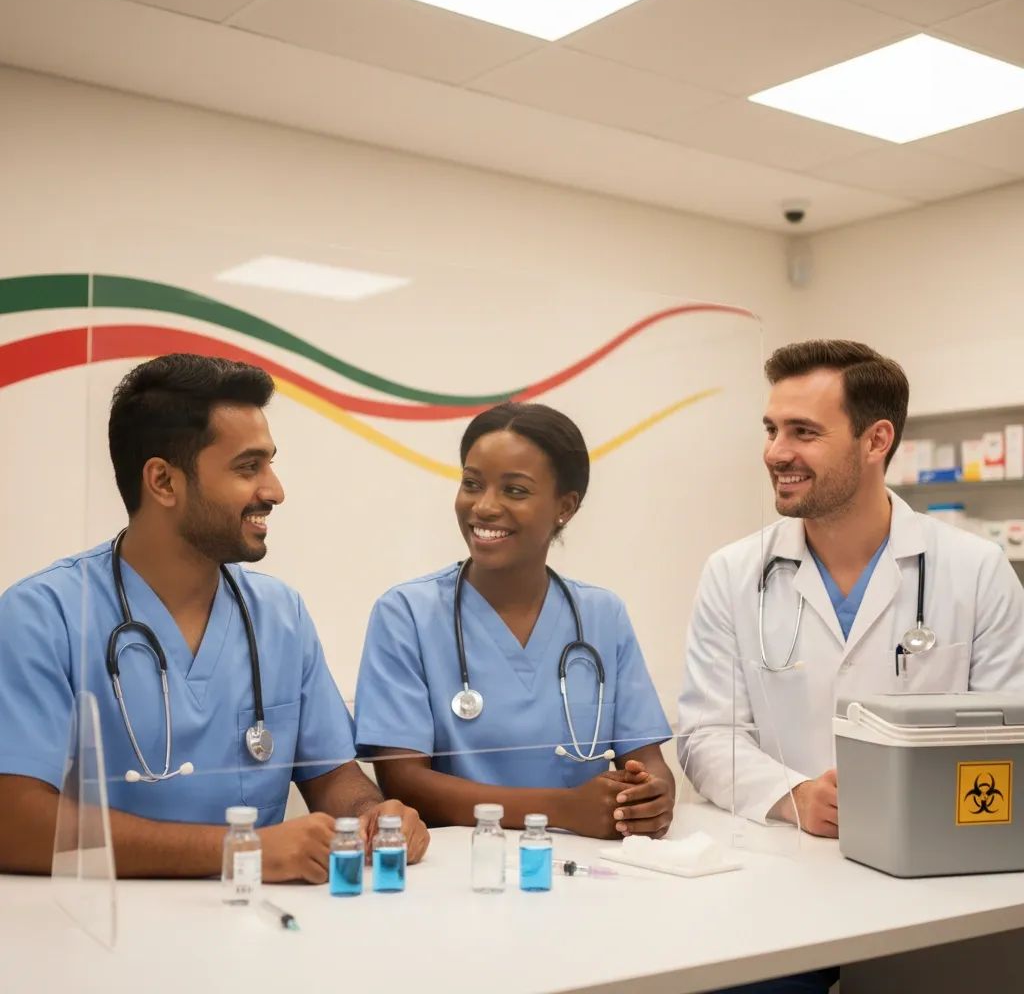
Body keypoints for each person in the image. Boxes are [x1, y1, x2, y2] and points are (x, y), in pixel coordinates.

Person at [0, 353, 428, 881]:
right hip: (102, 936)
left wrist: (370, 814)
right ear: (163, 482)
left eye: (269, 464)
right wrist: (240, 850)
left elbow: (331, 774)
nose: (274, 490)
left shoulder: (280, 614)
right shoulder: (43, 616)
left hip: (260, 924)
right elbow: (14, 822)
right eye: (248, 467)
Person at [679, 339, 1024, 836]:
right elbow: (707, 734)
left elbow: (1003, 739)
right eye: (772, 430)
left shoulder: (977, 570)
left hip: (930, 848)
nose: (776, 453)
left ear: (876, 441)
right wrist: (793, 796)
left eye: (804, 432)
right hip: (781, 856)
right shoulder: (733, 572)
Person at [355, 402, 675, 837]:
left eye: (515, 490)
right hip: (457, 868)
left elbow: (649, 763)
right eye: (471, 483)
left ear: (565, 506)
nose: (484, 507)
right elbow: (403, 781)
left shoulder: (603, 615)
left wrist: (650, 798)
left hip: (586, 868)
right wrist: (563, 810)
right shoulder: (406, 614)